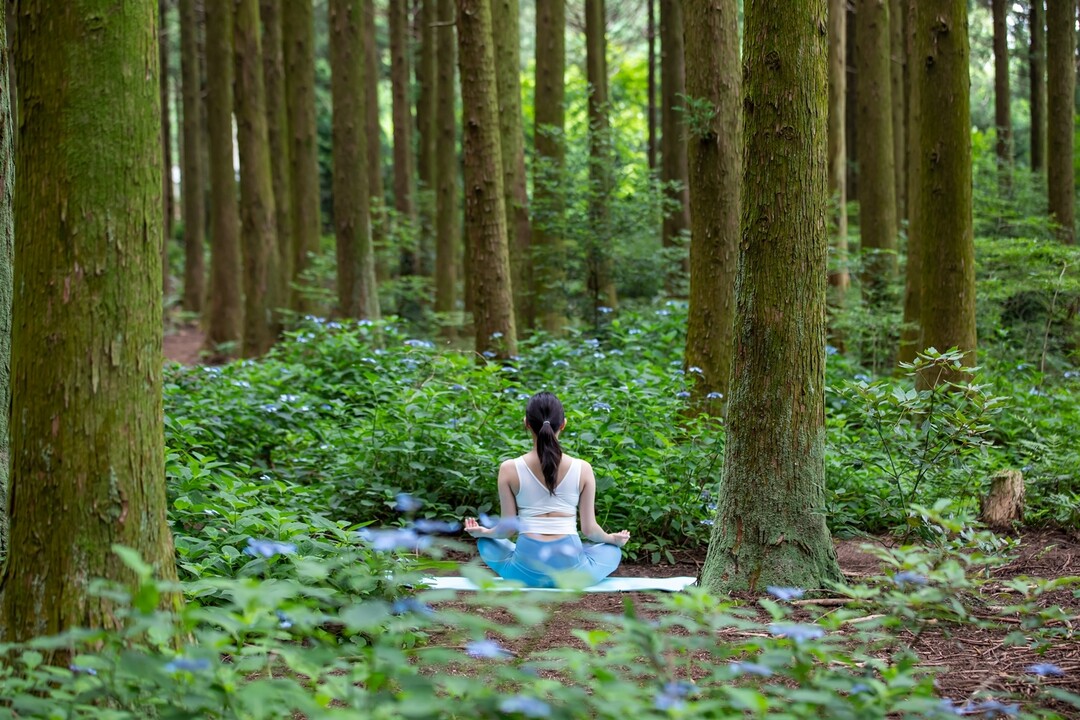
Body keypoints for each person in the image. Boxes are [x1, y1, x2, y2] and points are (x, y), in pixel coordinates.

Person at [464, 392, 630, 588]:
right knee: (612, 551)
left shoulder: (508, 468)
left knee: (486, 543)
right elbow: (590, 530)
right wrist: (613, 539)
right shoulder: (583, 468)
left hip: (525, 572)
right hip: (572, 572)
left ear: (526, 423)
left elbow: (506, 529)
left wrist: (483, 532)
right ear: (563, 424)